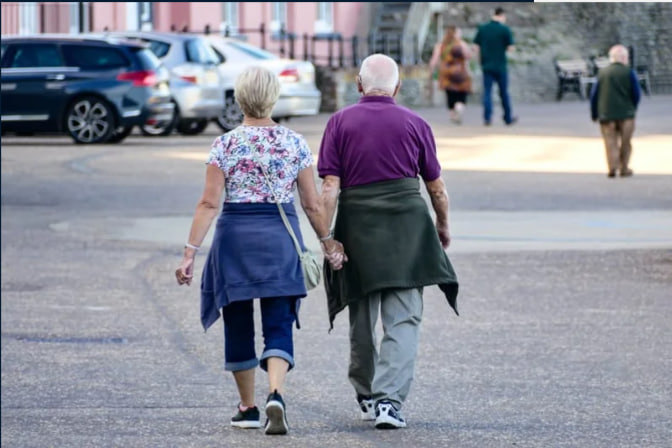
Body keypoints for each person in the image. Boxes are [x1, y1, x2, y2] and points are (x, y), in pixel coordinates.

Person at [175, 66, 345, 435]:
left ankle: (248, 407)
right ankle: (277, 394)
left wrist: (190, 252)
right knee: (279, 324)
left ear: (239, 99)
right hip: (279, 241)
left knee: (238, 323)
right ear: (273, 98)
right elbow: (312, 205)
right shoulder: (295, 143)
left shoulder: (225, 144)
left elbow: (208, 203)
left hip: (234, 242)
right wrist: (327, 242)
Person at [318, 54, 459, 430]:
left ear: (359, 86)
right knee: (404, 318)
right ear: (397, 87)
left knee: (361, 316)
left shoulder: (339, 122)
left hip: (357, 226)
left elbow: (330, 186)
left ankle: (366, 394)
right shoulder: (416, 123)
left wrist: (326, 236)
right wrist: (441, 226)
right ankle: (389, 404)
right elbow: (436, 188)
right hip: (407, 229)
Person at [590, 44, 641, 178]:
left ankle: (612, 167)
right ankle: (624, 168)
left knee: (610, 141)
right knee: (626, 142)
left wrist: (594, 113)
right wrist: (632, 108)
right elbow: (636, 93)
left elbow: (594, 95)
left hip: (606, 114)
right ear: (624, 58)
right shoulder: (629, 72)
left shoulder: (602, 73)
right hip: (627, 114)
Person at [473, 6, 517, 126]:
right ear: (502, 15)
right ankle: (507, 117)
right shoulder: (504, 29)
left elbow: (475, 47)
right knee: (504, 92)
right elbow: (511, 47)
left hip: (487, 65)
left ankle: (487, 117)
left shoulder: (483, 29)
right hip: (500, 66)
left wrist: (480, 59)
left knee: (487, 92)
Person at [429, 25, 473, 124]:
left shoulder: (441, 45)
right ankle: (459, 107)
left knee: (450, 94)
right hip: (460, 71)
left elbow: (434, 59)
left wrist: (431, 70)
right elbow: (468, 56)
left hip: (446, 72)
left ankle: (452, 113)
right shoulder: (461, 44)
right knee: (462, 93)